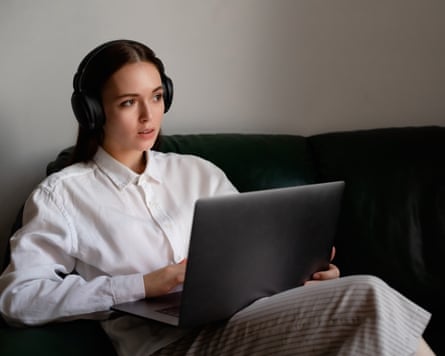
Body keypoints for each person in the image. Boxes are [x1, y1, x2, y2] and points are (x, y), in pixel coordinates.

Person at [0, 39, 435, 355]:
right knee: (369, 296)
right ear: (94, 112)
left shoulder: (199, 173)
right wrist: (140, 285)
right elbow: (17, 300)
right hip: (168, 346)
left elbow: (251, 259)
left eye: (156, 97)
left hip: (246, 323)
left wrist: (302, 276)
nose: (150, 115)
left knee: (361, 313)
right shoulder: (63, 195)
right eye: (129, 102)